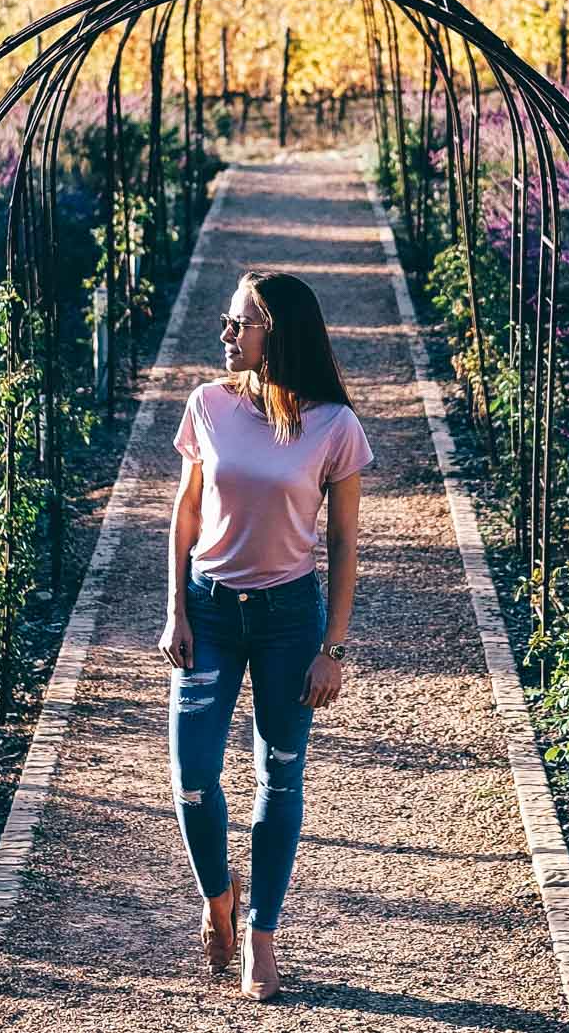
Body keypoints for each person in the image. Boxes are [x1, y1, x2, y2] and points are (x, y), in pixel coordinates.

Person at [160, 268, 374, 1001]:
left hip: (289, 621)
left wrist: (333, 648)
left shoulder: (335, 426)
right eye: (225, 322)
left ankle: (260, 935)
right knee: (192, 778)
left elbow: (345, 542)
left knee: (280, 778)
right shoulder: (208, 405)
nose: (225, 335)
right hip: (211, 612)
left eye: (238, 323)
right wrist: (176, 612)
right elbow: (186, 515)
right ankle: (218, 898)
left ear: (276, 333)